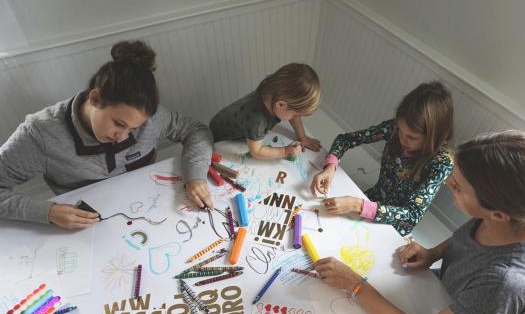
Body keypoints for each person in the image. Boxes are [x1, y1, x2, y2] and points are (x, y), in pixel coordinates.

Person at [315, 130, 525, 314]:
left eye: (458, 187)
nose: (448, 182)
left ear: (498, 214)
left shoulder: (507, 281)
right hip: (459, 301)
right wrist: (433, 253)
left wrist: (356, 285)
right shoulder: (517, 217)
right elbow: (472, 237)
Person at [0, 40, 214, 229]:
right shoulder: (40, 134)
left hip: (153, 212)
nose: (122, 137)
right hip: (88, 230)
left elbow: (197, 130)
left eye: (133, 128)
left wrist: (195, 177)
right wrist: (47, 212)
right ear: (95, 99)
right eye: (119, 123)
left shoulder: (151, 118)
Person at [311, 81, 454, 237]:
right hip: (371, 199)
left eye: (412, 137)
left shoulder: (442, 162)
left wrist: (357, 205)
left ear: (433, 137)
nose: (402, 139)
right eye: (400, 131)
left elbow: (412, 214)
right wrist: (330, 167)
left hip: (394, 225)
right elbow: (346, 140)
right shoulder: (394, 128)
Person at [210, 63, 321, 160]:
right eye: (297, 114)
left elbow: (293, 117)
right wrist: (284, 151)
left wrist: (302, 137)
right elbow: (256, 152)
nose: (297, 117)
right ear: (281, 104)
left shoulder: (272, 91)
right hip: (220, 139)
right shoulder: (257, 119)